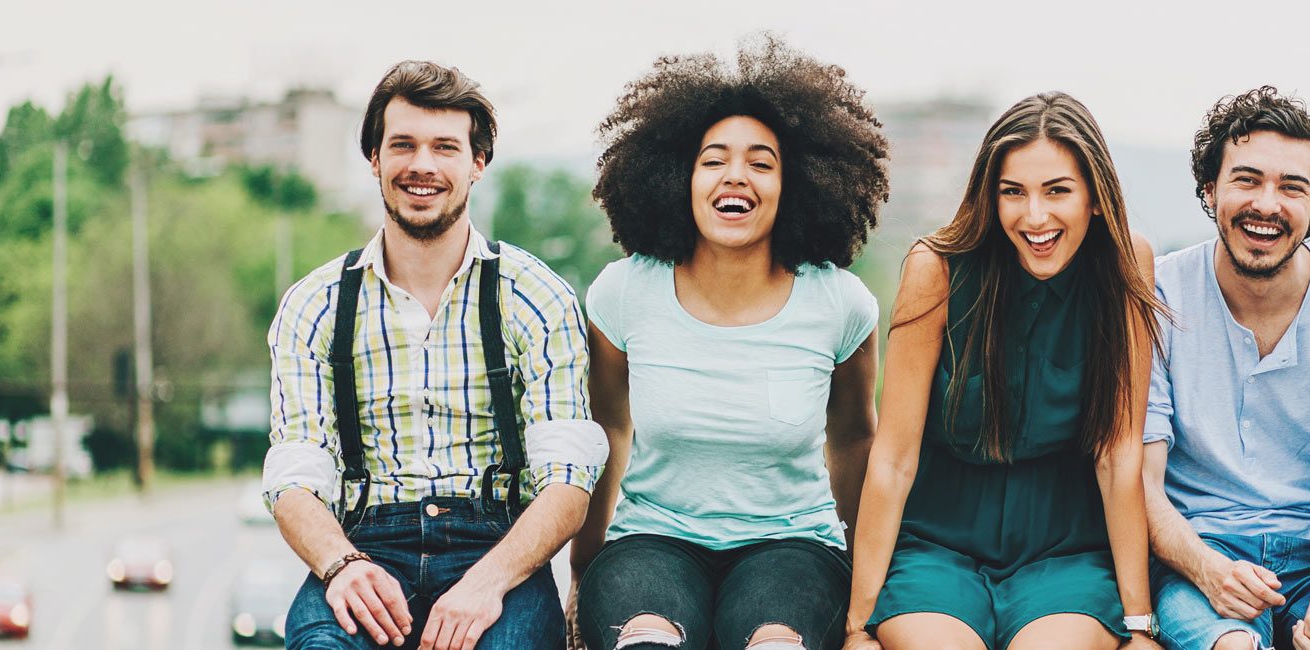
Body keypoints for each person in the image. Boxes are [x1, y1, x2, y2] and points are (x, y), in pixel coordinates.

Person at [265, 60, 606, 650]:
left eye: (445, 147)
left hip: (500, 549)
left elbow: (569, 482)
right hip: (364, 547)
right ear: (375, 158)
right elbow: (294, 478)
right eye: (403, 145)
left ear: (477, 163)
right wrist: (342, 566)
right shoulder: (314, 305)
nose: (422, 164)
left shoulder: (535, 295)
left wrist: (489, 582)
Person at [569, 36, 891, 650]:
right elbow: (609, 428)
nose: (734, 176)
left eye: (761, 162)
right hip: (651, 541)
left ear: (794, 184)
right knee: (646, 640)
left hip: (793, 546)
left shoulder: (841, 304)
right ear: (678, 177)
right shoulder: (623, 292)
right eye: (713, 159)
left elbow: (853, 438)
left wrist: (866, 590)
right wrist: (586, 567)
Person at [844, 92, 1163, 650]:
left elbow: (1119, 453)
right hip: (938, 544)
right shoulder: (936, 269)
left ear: (1094, 197)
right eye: (1012, 192)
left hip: (1065, 549)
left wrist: (1138, 625)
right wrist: (857, 625)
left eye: (1057, 190)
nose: (1034, 216)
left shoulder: (1126, 262)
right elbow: (894, 457)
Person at [1143, 86, 1310, 650]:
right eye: (1246, 179)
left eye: (1292, 188)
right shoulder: (1157, 299)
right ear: (1209, 187)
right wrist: (1205, 569)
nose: (1267, 205)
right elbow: (1139, 479)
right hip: (1203, 551)